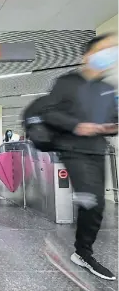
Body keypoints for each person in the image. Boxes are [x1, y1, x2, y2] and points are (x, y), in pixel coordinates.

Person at [42, 33, 118, 280]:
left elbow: (115, 119)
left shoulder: (107, 88)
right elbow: (49, 113)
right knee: (93, 199)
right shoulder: (66, 82)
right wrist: (77, 125)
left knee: (97, 206)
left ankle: (82, 251)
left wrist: (110, 126)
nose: (111, 54)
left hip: (97, 149)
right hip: (72, 149)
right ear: (88, 55)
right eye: (105, 49)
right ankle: (83, 252)